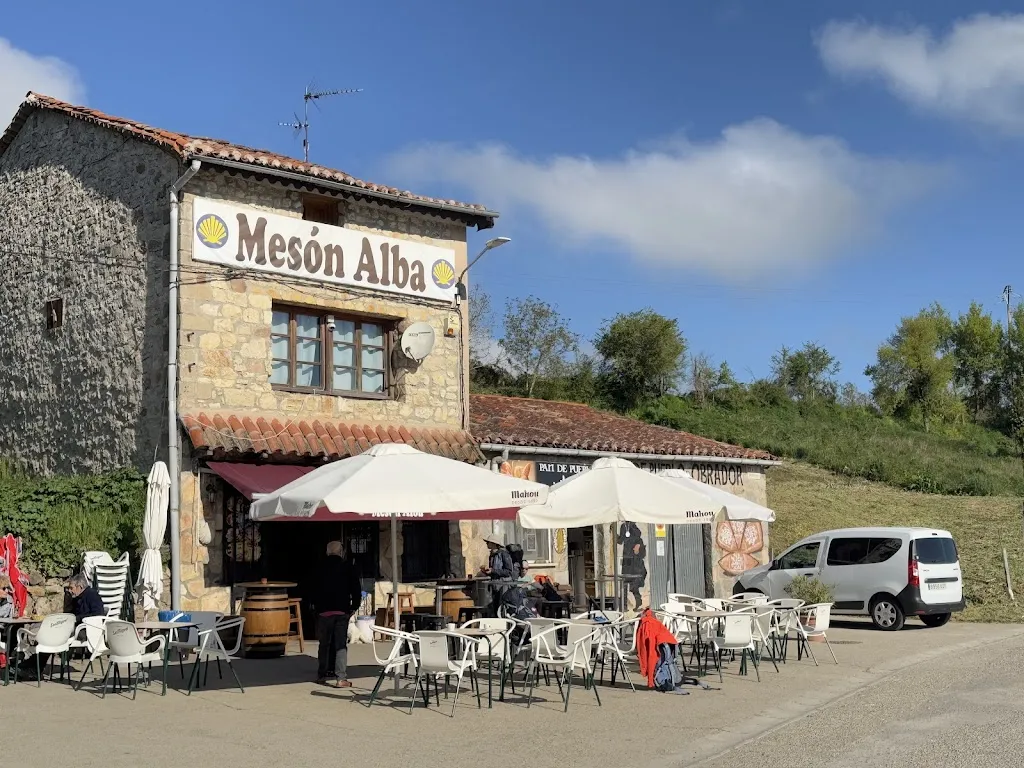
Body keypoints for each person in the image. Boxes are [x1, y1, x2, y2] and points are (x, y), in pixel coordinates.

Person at [315, 541, 362, 688]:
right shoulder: (348, 567)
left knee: (324, 644)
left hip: (323, 611)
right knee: (340, 645)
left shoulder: (319, 567)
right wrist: (354, 607)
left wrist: (315, 607)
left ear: (327, 552)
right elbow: (356, 589)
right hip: (342, 610)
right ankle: (340, 678)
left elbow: (312, 588)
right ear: (341, 552)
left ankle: (322, 674)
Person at [479, 535, 514, 616]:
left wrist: (493, 570)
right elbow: (493, 571)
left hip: (503, 585)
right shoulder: (492, 555)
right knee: (494, 608)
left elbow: (509, 571)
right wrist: (486, 571)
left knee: (501, 608)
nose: (487, 544)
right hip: (495, 585)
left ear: (494, 543)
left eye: (488, 542)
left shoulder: (504, 554)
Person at [617, 522, 648, 610]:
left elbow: (620, 541)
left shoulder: (625, 526)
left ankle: (625, 605)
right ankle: (631, 603)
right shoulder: (634, 529)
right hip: (630, 559)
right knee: (630, 582)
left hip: (629, 558)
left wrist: (614, 533)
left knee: (627, 581)